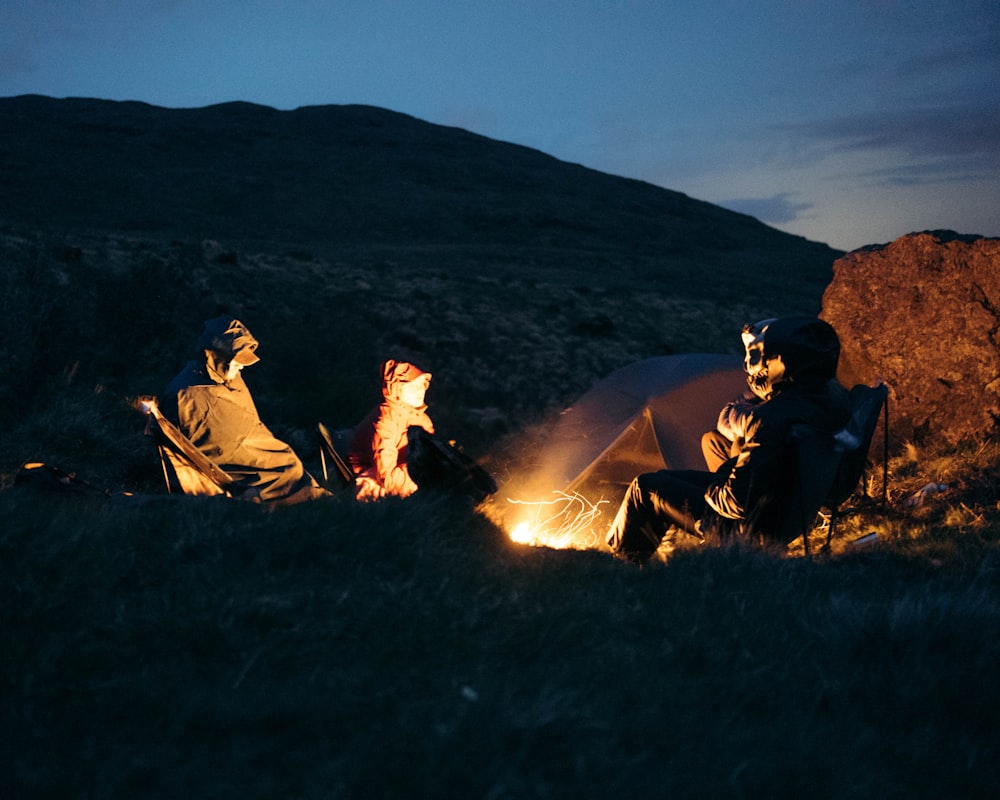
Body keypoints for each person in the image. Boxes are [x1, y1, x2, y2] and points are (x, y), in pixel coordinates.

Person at [606, 316, 851, 561]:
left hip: (750, 530)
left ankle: (623, 564)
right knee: (663, 479)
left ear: (780, 362)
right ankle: (653, 554)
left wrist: (725, 472)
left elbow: (734, 502)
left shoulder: (770, 418)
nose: (751, 367)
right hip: (785, 515)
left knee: (644, 488)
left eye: (759, 358)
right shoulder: (833, 402)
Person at [160, 315, 330, 505]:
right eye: (237, 361)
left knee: (289, 462)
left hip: (257, 451)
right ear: (217, 357)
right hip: (232, 468)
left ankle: (308, 495)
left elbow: (250, 425)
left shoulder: (228, 376)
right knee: (287, 470)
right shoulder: (190, 395)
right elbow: (220, 446)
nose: (241, 366)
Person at [348, 359, 435, 501]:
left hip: (406, 475)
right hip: (374, 478)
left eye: (422, 385)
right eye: (414, 386)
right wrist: (424, 476)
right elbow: (386, 476)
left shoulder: (422, 419)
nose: (420, 391)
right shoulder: (385, 420)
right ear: (397, 389)